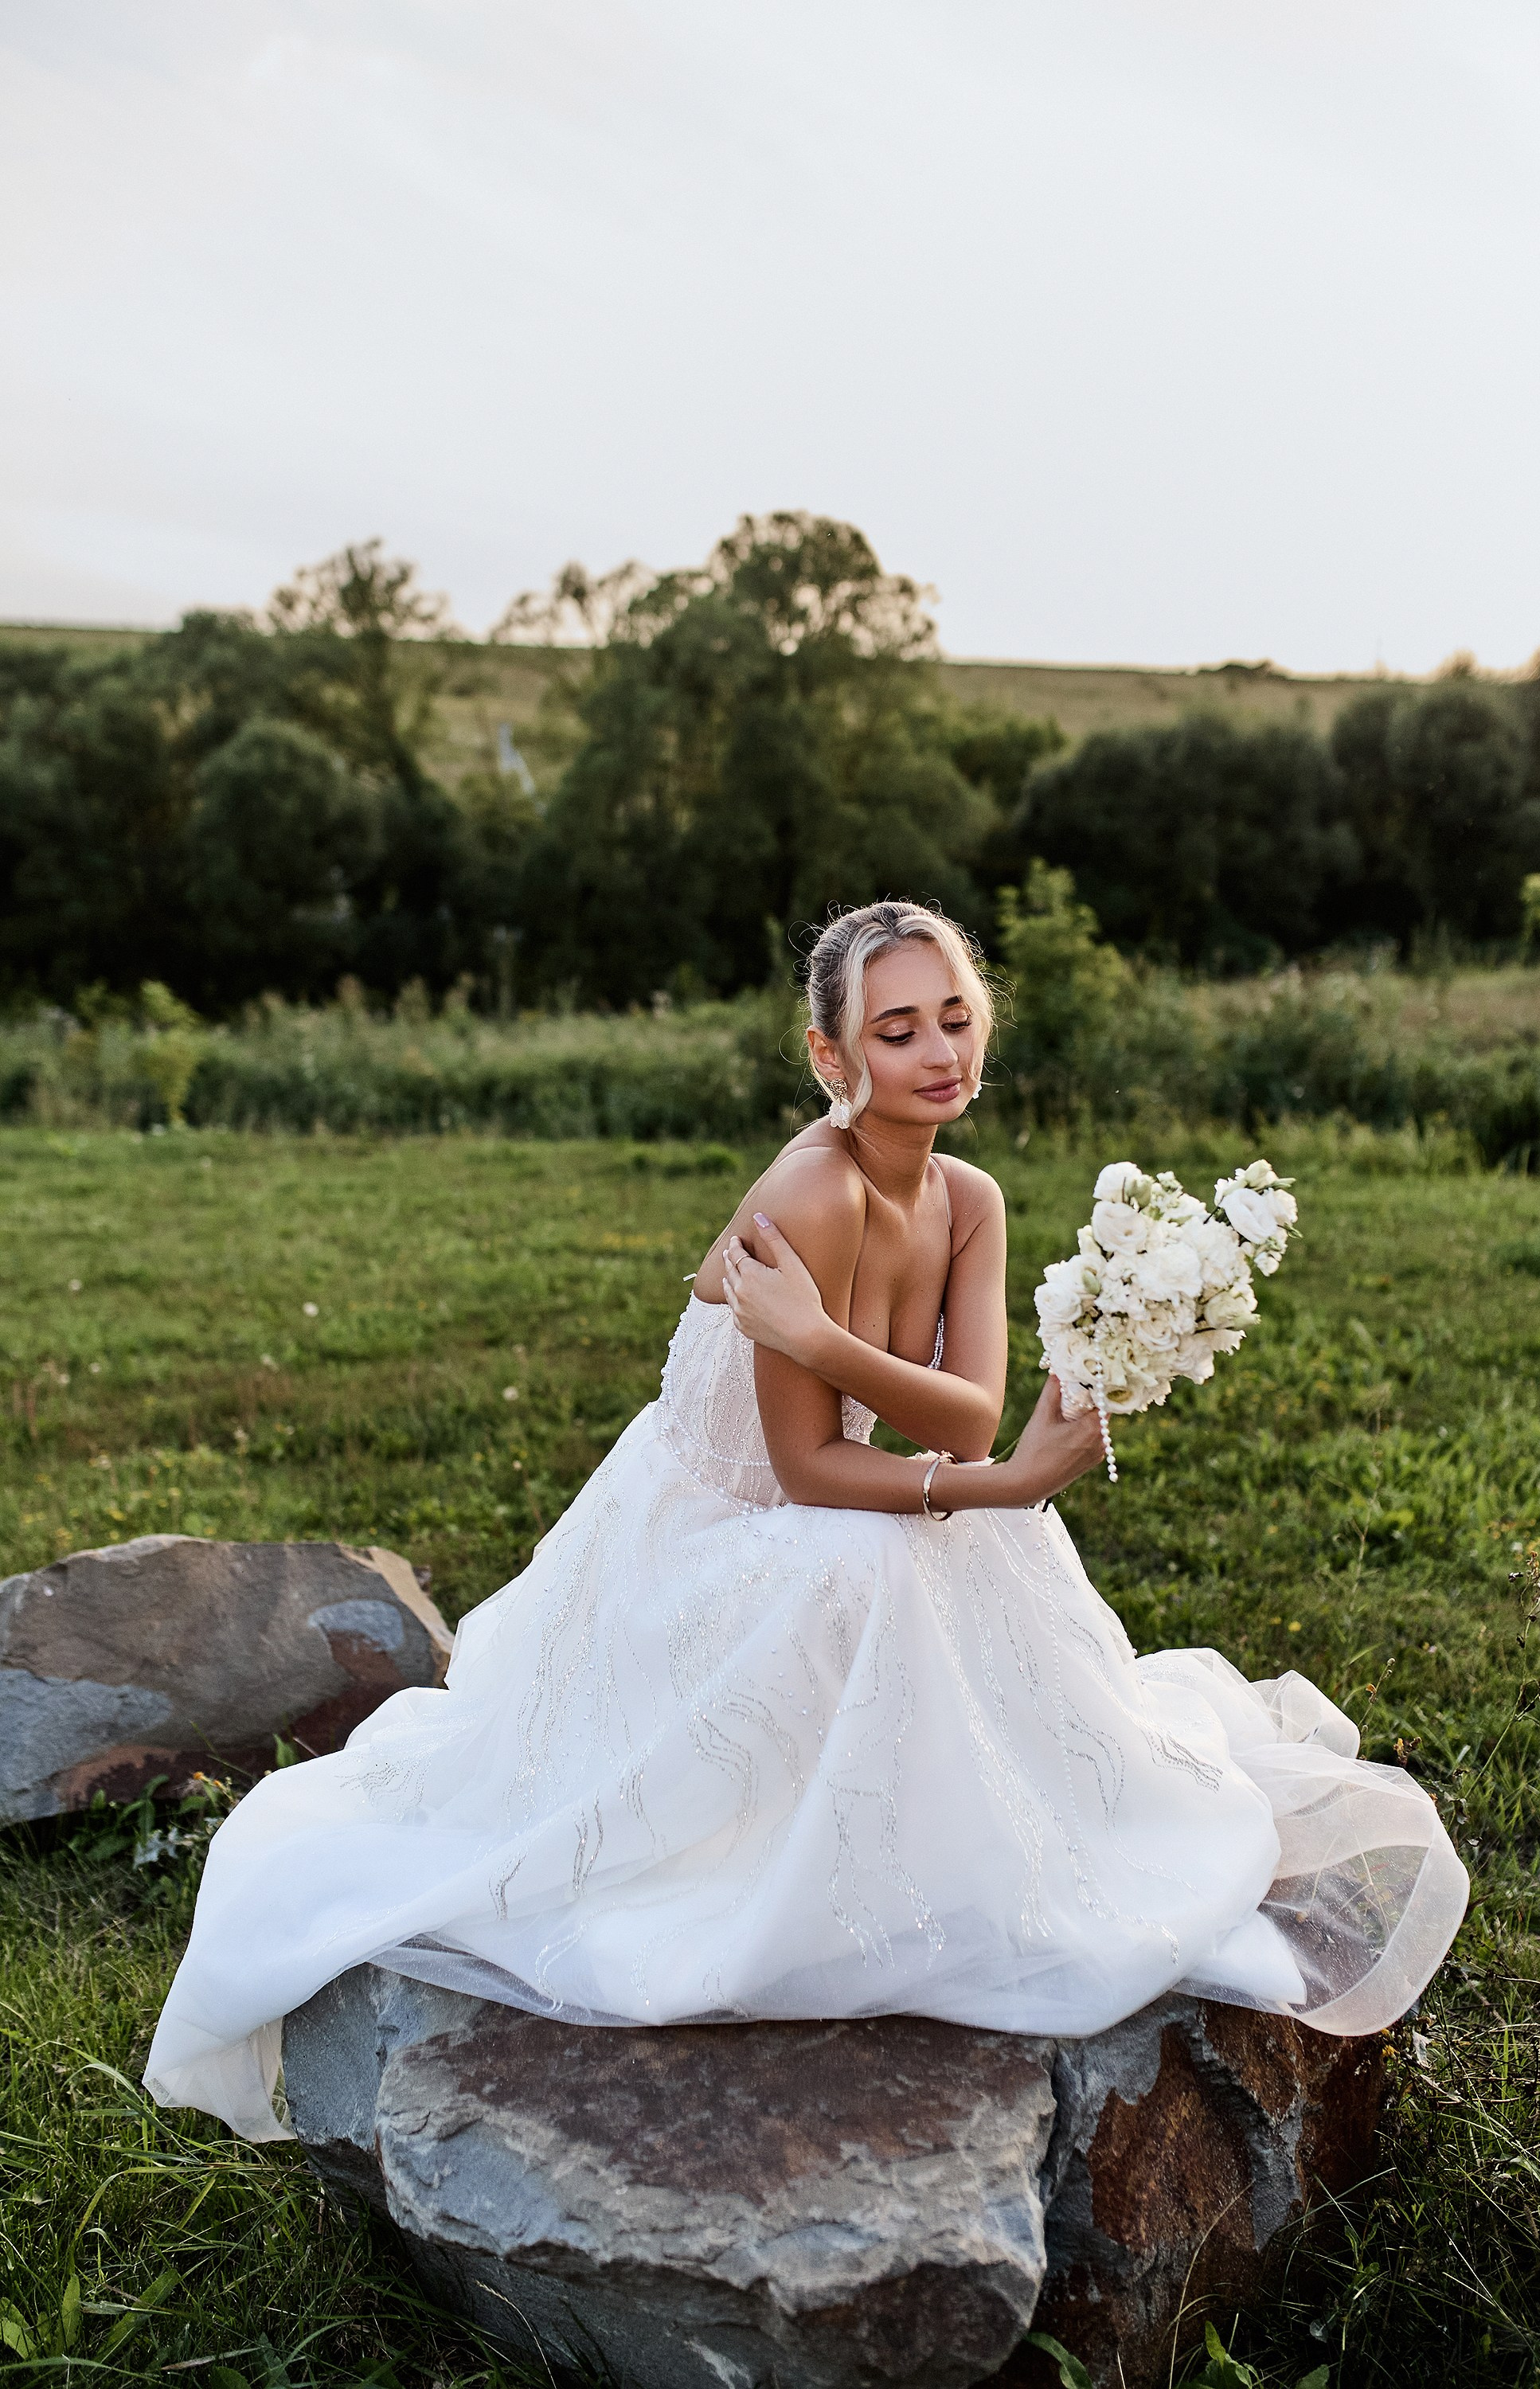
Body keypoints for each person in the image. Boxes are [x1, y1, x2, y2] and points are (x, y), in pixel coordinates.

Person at [145, 901, 1467, 2141]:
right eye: (897, 1031)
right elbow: (804, 1469)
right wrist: (999, 1471)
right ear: (831, 1053)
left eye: (954, 1015)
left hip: (818, 1499)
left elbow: (962, 1414)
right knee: (892, 1556)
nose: (939, 1052)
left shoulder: (971, 1199)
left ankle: (981, 1839)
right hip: (708, 1533)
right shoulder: (809, 1192)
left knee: (971, 1548)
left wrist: (864, 1368)